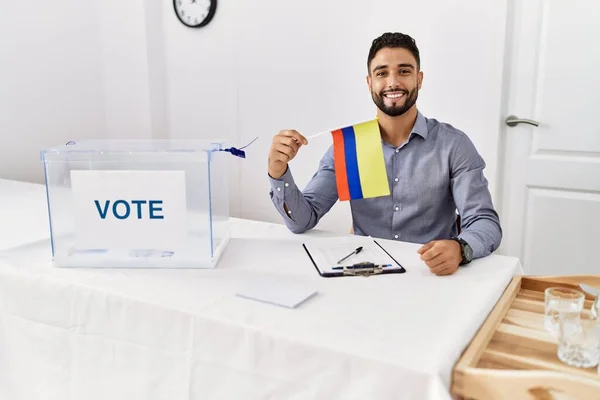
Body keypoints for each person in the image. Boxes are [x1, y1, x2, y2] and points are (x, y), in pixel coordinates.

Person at [266, 32, 502, 276]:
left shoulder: (453, 145)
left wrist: (460, 248)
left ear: (419, 79)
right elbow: (302, 221)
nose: (393, 82)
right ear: (370, 82)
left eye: (404, 71)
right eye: (382, 73)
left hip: (431, 276)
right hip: (365, 274)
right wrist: (278, 170)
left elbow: (485, 222)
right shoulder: (350, 147)